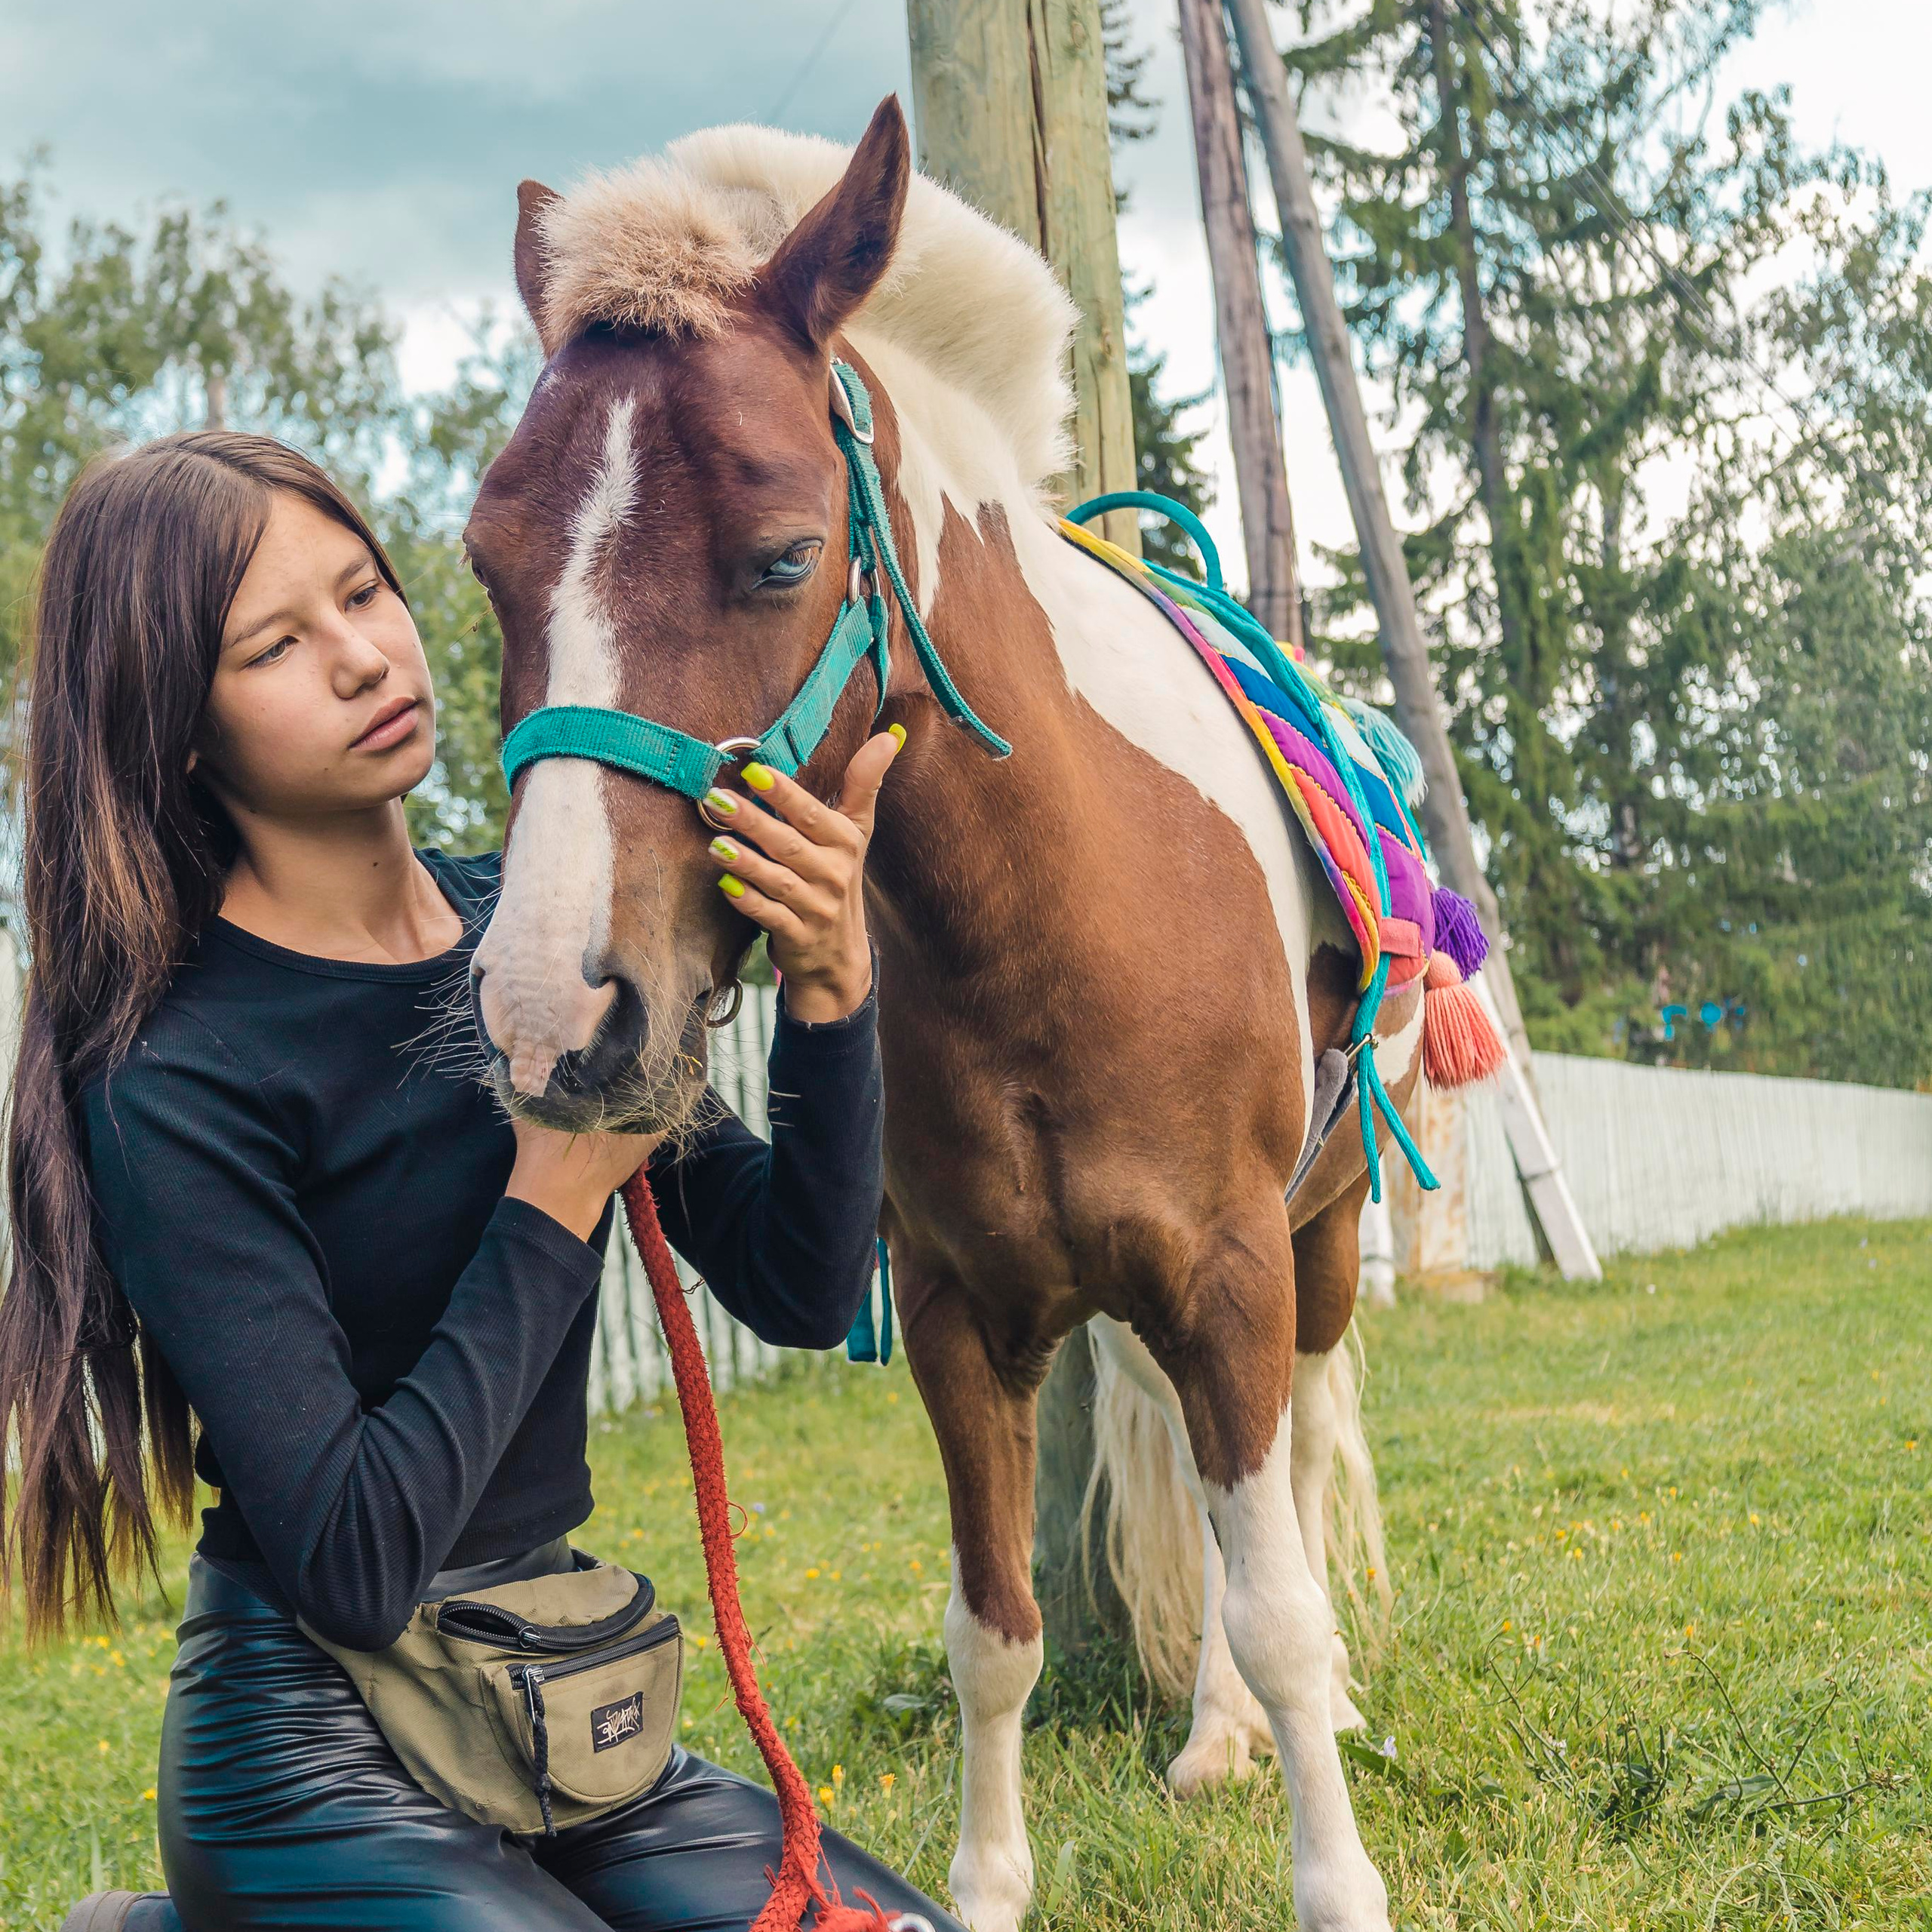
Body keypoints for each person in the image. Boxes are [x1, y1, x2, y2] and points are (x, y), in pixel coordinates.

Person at [0, 432, 957, 1932]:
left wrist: (834, 989)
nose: (362, 656)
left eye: (364, 592)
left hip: (559, 1704)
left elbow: (801, 1285)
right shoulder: (175, 1072)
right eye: (275, 643)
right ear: (178, 726)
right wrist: (554, 1195)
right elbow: (357, 1557)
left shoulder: (525, 926)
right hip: (310, 1748)